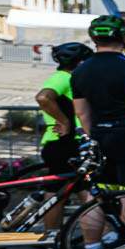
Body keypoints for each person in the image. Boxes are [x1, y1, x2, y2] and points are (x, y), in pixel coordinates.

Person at [72, 14, 125, 249]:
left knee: (96, 195)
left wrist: (95, 136)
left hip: (99, 134)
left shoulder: (80, 71)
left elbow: (82, 113)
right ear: (122, 37)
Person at [35, 42, 91, 178]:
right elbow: (43, 97)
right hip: (62, 141)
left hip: (69, 141)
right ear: (80, 62)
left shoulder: (71, 78)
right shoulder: (63, 77)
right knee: (62, 185)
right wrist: (64, 121)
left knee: (75, 184)